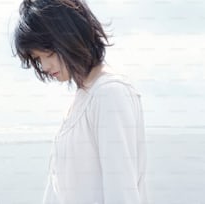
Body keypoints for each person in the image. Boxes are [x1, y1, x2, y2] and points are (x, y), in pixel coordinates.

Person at [12, 0, 149, 203]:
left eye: (48, 53)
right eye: (38, 58)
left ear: (69, 36)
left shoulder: (109, 94)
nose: (45, 66)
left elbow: (121, 193)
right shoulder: (83, 96)